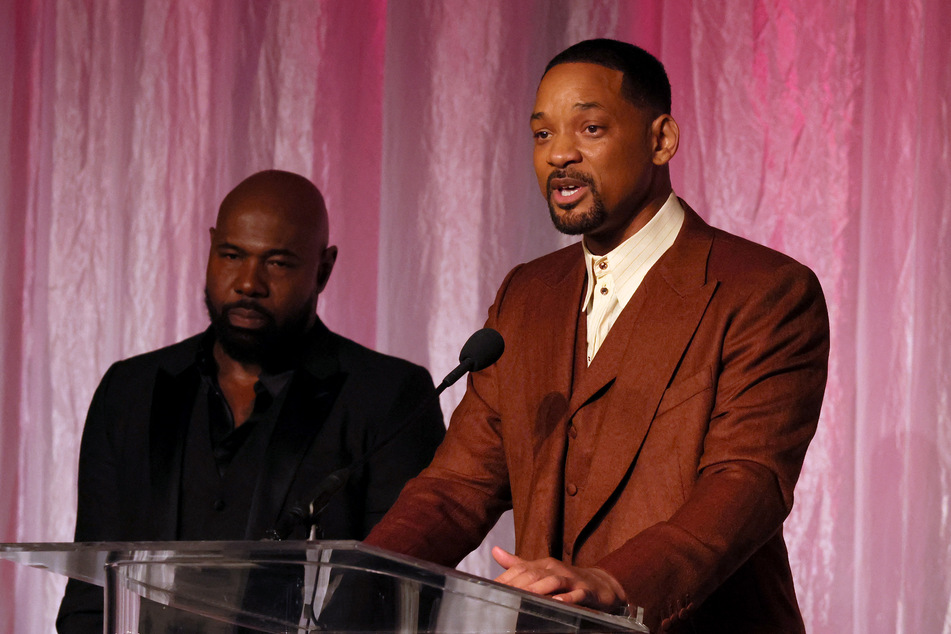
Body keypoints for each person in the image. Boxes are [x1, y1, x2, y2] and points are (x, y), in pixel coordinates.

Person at [365, 39, 829, 633]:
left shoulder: (763, 290)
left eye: (589, 128)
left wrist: (619, 583)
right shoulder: (527, 295)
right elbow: (459, 485)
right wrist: (361, 580)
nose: (559, 153)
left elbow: (747, 481)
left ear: (661, 139)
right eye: (541, 134)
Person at [57, 170, 445, 632]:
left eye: (277, 263)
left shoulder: (389, 397)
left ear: (323, 269)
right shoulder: (129, 390)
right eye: (231, 255)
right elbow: (90, 591)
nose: (248, 283)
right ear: (210, 247)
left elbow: (401, 598)